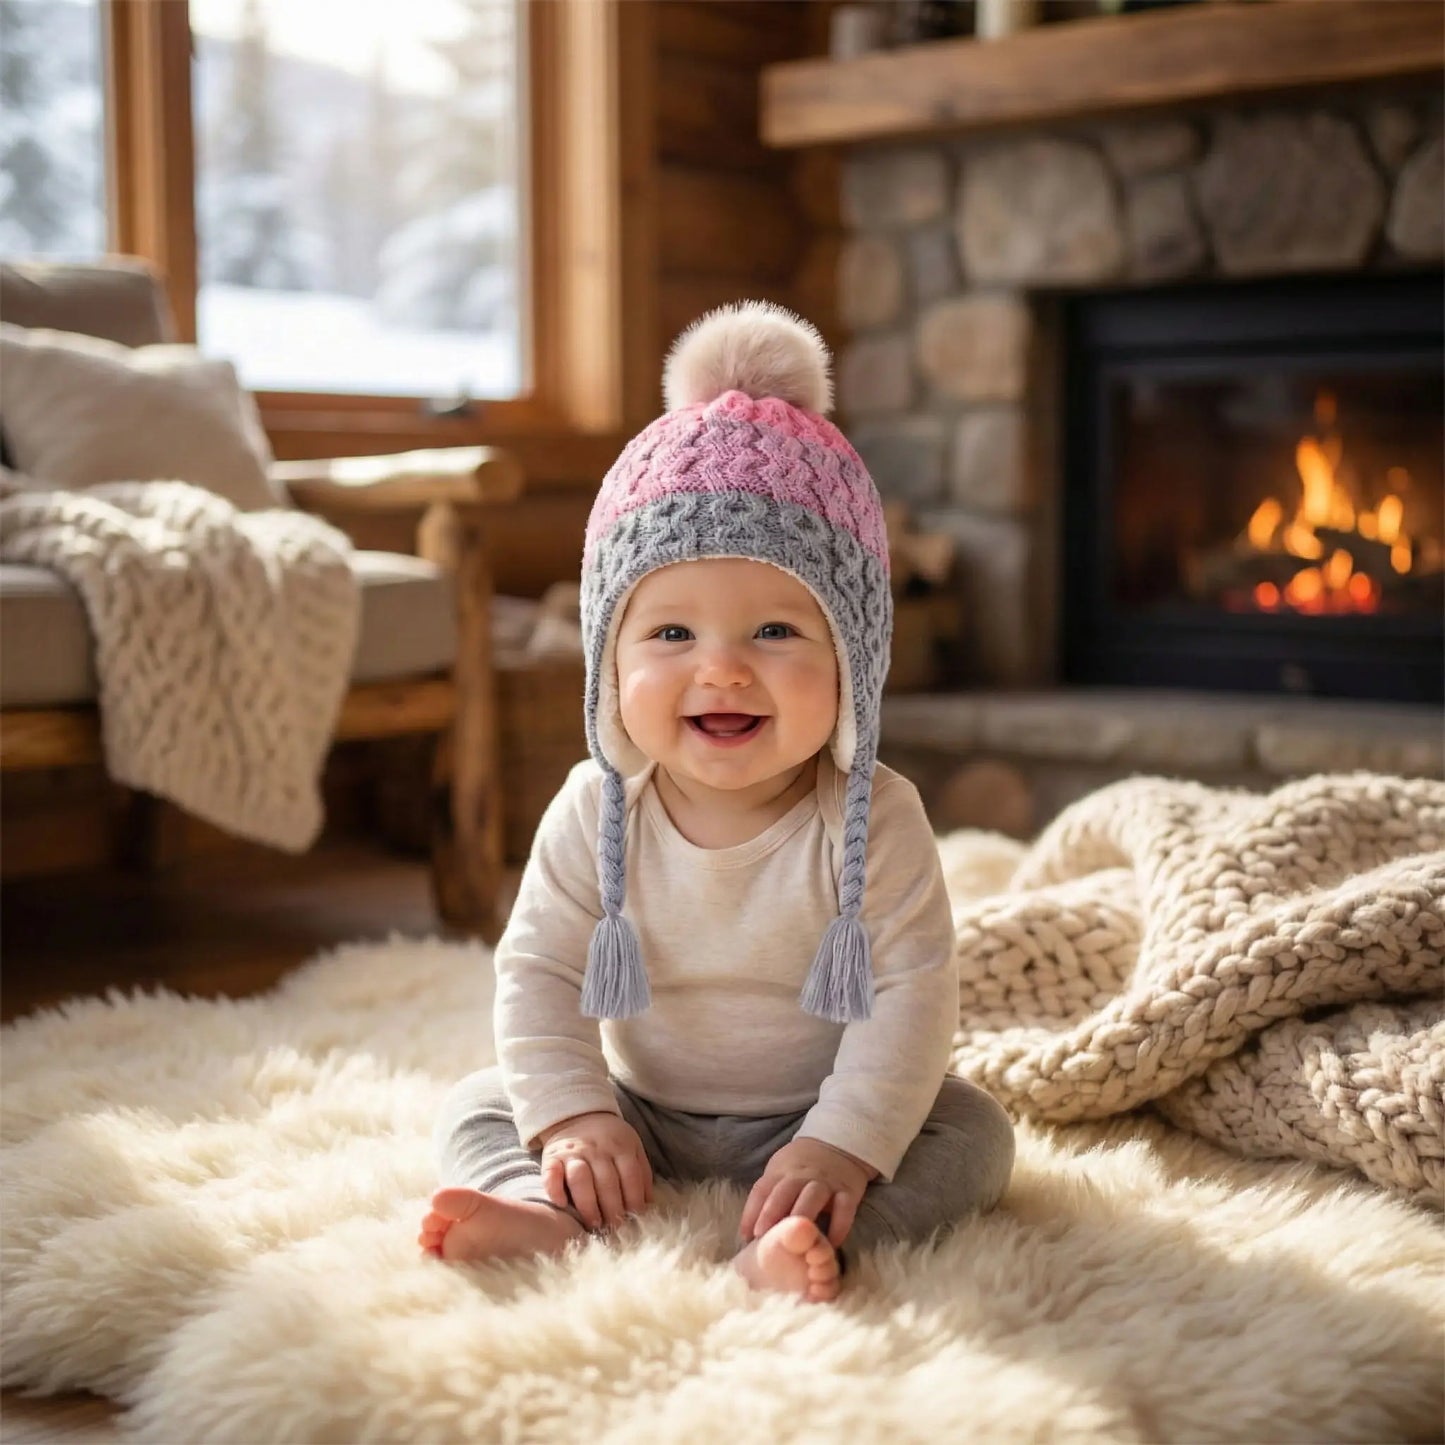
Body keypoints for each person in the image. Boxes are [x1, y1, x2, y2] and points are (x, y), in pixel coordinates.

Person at [419, 302, 1014, 1302]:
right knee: (484, 1101)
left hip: (808, 1114)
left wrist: (841, 1143)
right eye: (670, 635)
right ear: (608, 657)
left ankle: (808, 1239)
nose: (723, 670)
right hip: (643, 1108)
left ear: (853, 662)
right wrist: (573, 1117)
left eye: (777, 629)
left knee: (972, 1133)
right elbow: (538, 970)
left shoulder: (873, 819)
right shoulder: (594, 809)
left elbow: (911, 995)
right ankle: (547, 1213)